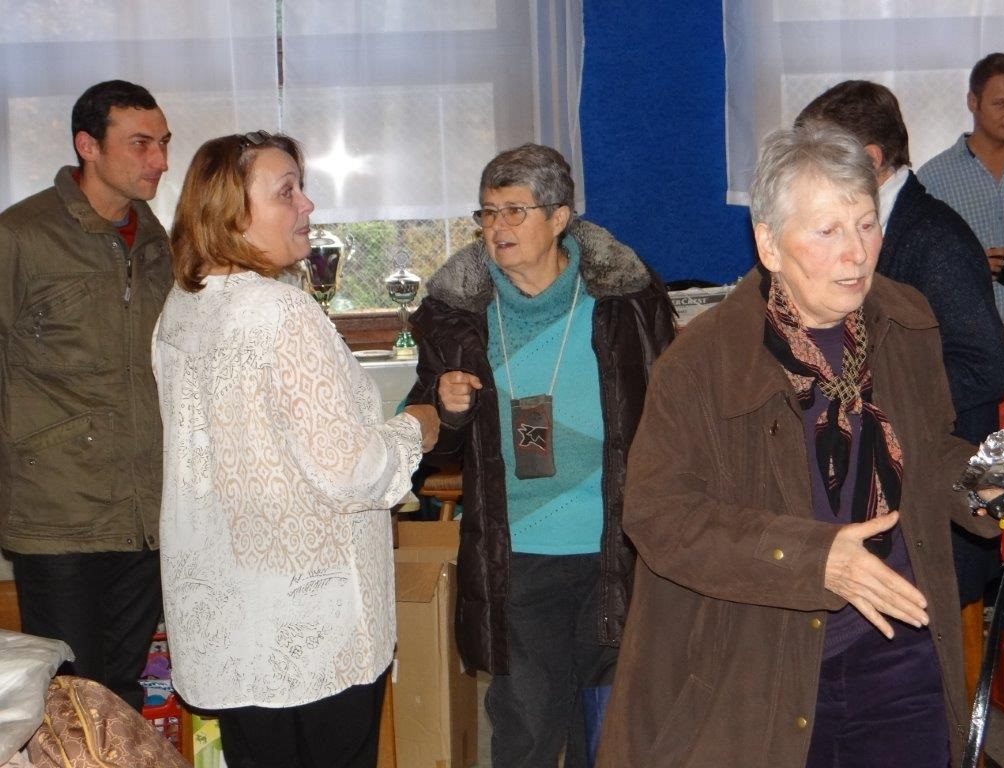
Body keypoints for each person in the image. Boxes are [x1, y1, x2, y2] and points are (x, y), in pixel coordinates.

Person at [597, 124, 1004, 768]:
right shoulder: (702, 362)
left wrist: (996, 484)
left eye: (867, 225)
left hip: (901, 648)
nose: (856, 253)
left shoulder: (905, 319)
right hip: (761, 660)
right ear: (769, 243)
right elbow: (658, 516)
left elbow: (927, 453)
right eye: (827, 231)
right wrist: (814, 559)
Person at [152, 131, 439, 768]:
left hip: (229, 616)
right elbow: (352, 472)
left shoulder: (183, 306)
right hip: (311, 627)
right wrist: (415, 428)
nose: (307, 205)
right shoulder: (283, 313)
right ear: (230, 212)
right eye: (286, 192)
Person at [406, 143, 675, 767]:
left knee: (607, 734)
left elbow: (675, 414)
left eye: (514, 211)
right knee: (525, 733)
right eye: (487, 212)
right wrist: (445, 407)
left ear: (559, 218)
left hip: (616, 550)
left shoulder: (627, 301)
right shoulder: (456, 314)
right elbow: (431, 438)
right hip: (517, 555)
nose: (496, 227)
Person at [796, 80, 1004, 607]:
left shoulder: (934, 239)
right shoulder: (878, 229)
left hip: (936, 506)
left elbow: (986, 368)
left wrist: (870, 403)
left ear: (870, 160)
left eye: (823, 156)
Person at [0, 80, 172, 710]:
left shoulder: (156, 240)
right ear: (87, 146)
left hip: (144, 513)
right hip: (58, 514)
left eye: (163, 143)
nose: (159, 160)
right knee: (70, 697)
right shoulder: (21, 235)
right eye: (140, 143)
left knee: (123, 694)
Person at [918, 52, 1004, 324]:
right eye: (1000, 104)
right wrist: (967, 269)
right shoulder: (933, 179)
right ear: (972, 102)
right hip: (969, 336)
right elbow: (917, 266)